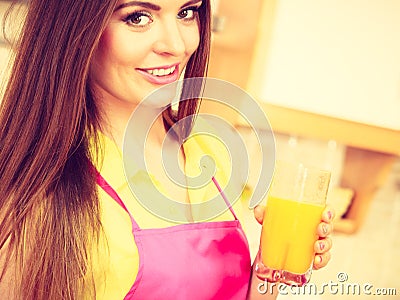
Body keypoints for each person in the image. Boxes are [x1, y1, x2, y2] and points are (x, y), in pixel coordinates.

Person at [0, 0, 334, 299]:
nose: (177, 45)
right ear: (74, 28)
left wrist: (268, 268)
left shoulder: (207, 152)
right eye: (138, 17)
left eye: (187, 12)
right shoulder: (38, 191)